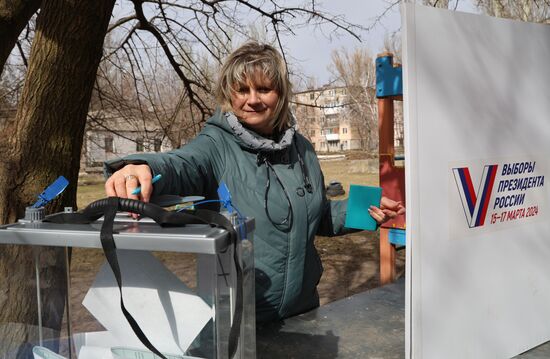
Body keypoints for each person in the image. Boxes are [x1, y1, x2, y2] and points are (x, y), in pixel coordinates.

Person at [104, 41, 405, 323]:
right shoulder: (215, 144)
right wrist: (139, 167)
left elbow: (317, 217)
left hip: (303, 312)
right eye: (242, 89)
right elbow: (182, 164)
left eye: (263, 89)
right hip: (239, 322)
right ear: (229, 94)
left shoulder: (302, 149)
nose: (252, 99)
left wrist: (364, 209)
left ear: (281, 94)